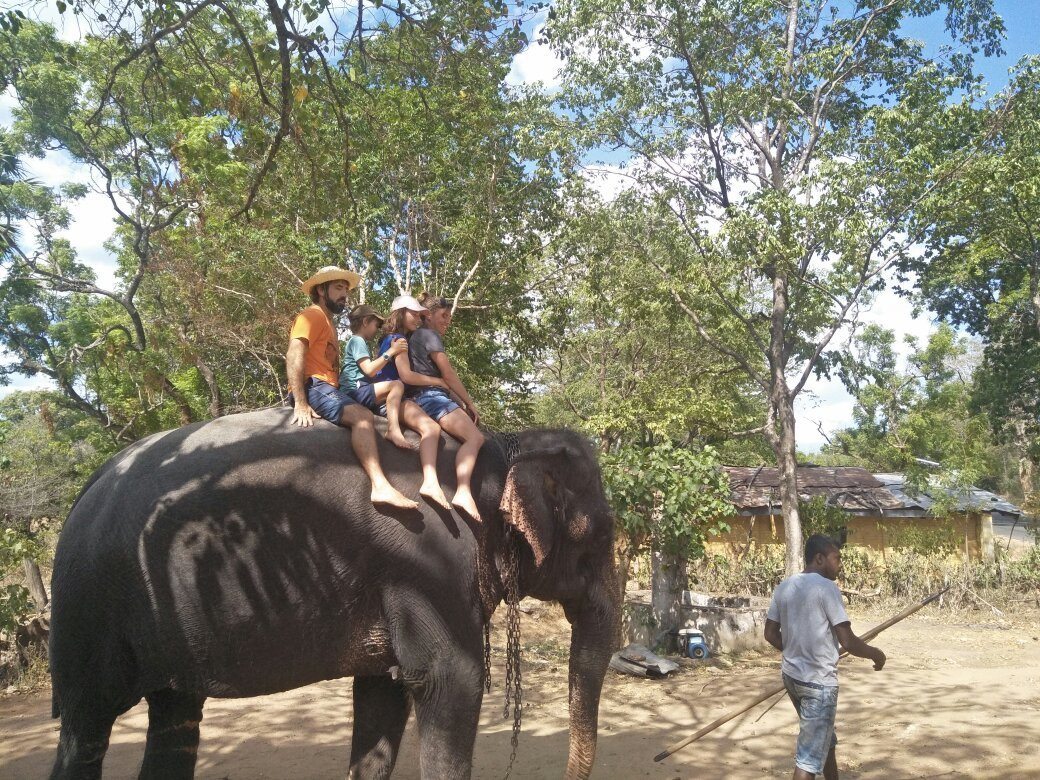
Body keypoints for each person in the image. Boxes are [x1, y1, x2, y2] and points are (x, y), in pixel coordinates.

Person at [285, 266, 417, 511]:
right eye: (338, 288)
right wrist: (300, 401)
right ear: (321, 290)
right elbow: (295, 354)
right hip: (314, 385)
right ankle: (380, 486)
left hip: (328, 387)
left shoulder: (329, 323)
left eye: (346, 290)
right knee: (362, 416)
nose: (344, 295)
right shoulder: (311, 316)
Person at [764, 534, 887, 780]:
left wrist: (795, 651)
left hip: (792, 677)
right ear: (819, 559)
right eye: (836, 558)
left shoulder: (784, 586)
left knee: (824, 739)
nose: (840, 564)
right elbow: (848, 641)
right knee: (808, 759)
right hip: (818, 684)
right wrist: (876, 654)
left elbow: (770, 633)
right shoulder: (827, 588)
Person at [341, 303, 452, 510]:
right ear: (365, 322)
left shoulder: (384, 340)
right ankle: (396, 433)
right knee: (427, 423)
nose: (419, 320)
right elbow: (391, 374)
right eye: (415, 315)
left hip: (372, 392)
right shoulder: (389, 340)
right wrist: (438, 381)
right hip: (362, 391)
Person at [397, 293, 485, 522]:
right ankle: (463, 491)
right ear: (428, 316)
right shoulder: (429, 335)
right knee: (475, 438)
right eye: (444, 315)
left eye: (449, 317)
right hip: (431, 398)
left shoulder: (412, 337)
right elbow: (447, 374)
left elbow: (438, 380)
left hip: (419, 398)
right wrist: (470, 403)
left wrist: (458, 400)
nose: (447, 321)